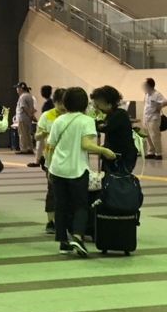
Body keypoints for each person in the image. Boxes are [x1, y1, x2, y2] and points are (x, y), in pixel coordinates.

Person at [46, 86, 116, 258]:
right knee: (80, 206)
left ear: (65, 103)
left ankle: (63, 242)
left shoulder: (59, 120)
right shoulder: (86, 121)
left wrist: (48, 167)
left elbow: (50, 146)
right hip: (76, 170)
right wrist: (104, 151)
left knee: (61, 206)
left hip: (57, 169)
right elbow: (86, 144)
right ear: (84, 103)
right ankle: (77, 236)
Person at [35, 88, 66, 233]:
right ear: (54, 102)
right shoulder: (47, 116)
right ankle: (50, 221)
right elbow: (36, 136)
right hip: (50, 159)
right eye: (60, 103)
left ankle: (67, 220)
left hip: (68, 159)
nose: (63, 107)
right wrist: (43, 134)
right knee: (53, 190)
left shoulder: (72, 116)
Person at [92, 85, 138, 174]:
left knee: (117, 182)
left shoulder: (119, 115)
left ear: (109, 104)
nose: (96, 107)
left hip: (122, 157)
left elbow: (103, 127)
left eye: (98, 105)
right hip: (114, 153)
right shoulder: (112, 114)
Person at [29, 85, 55, 168]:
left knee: (40, 144)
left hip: (47, 126)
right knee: (41, 144)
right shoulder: (49, 103)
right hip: (47, 125)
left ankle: (38, 160)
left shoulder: (49, 104)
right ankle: (39, 159)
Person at [142, 78, 165, 160]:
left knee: (154, 136)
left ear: (150, 86)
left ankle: (158, 153)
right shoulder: (146, 94)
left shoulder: (157, 94)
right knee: (147, 135)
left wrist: (159, 107)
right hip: (146, 118)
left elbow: (165, 101)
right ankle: (150, 152)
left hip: (153, 118)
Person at [14, 82, 37, 154]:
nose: (16, 89)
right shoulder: (29, 96)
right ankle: (30, 148)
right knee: (28, 134)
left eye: (17, 88)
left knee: (22, 134)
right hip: (28, 119)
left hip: (22, 118)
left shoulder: (23, 96)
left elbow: (24, 107)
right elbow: (32, 108)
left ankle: (23, 148)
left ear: (21, 88)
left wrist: (30, 115)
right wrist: (32, 116)